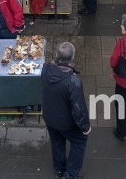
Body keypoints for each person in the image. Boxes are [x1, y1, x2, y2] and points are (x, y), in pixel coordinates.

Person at [42, 42, 91, 179]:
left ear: (56, 55)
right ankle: (70, 173)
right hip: (66, 123)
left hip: (49, 117)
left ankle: (59, 168)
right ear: (72, 58)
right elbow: (78, 109)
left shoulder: (45, 69)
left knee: (57, 141)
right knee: (79, 141)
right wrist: (85, 127)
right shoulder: (73, 82)